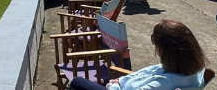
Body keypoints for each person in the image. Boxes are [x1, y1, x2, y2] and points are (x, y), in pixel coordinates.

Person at [68, 20, 208, 90]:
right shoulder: (191, 69)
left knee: (76, 82)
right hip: (123, 84)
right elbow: (145, 73)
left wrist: (114, 86)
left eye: (156, 44)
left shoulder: (165, 83)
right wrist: (120, 81)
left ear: (165, 50)